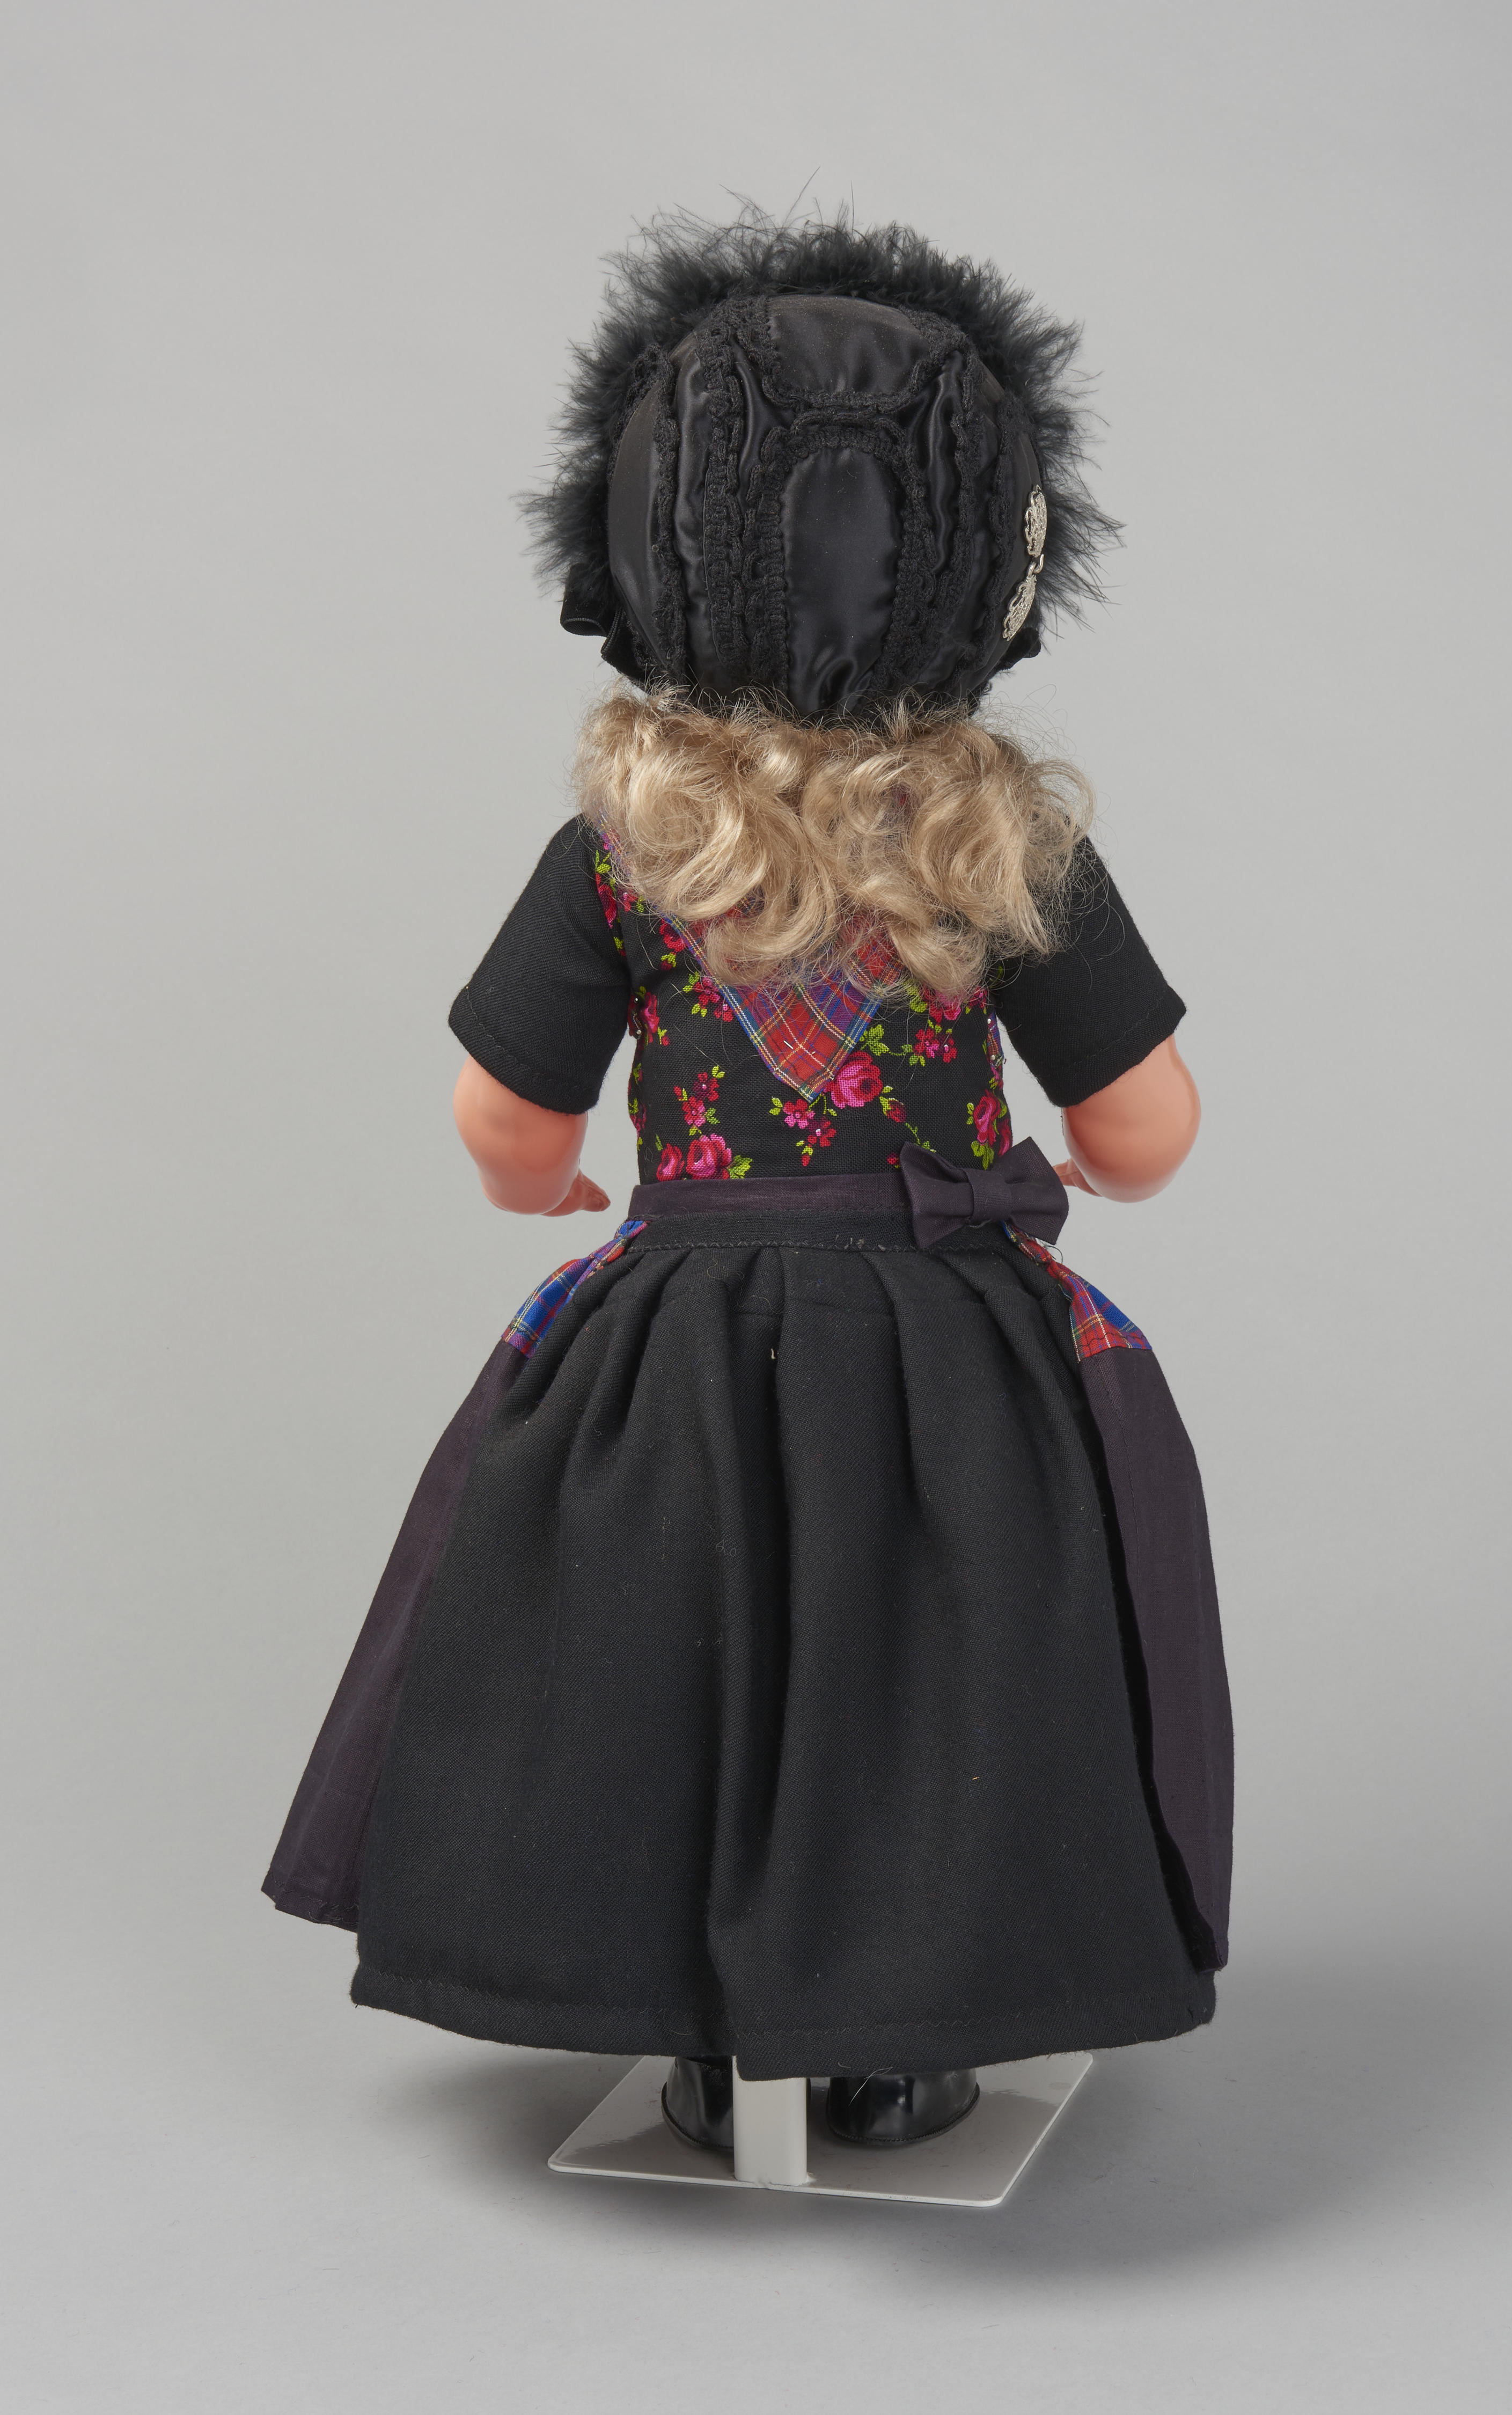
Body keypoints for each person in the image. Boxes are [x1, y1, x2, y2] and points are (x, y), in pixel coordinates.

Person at [265, 213, 1232, 2155]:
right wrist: (1068, 1167)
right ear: (990, 571)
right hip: (948, 1352)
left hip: (679, 1349)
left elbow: (500, 1115)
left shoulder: (625, 853)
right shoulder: (1005, 850)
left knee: (652, 1653)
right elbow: (1147, 1125)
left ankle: (709, 2037)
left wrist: (548, 1191)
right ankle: (902, 2035)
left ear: (646, 555)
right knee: (941, 1669)